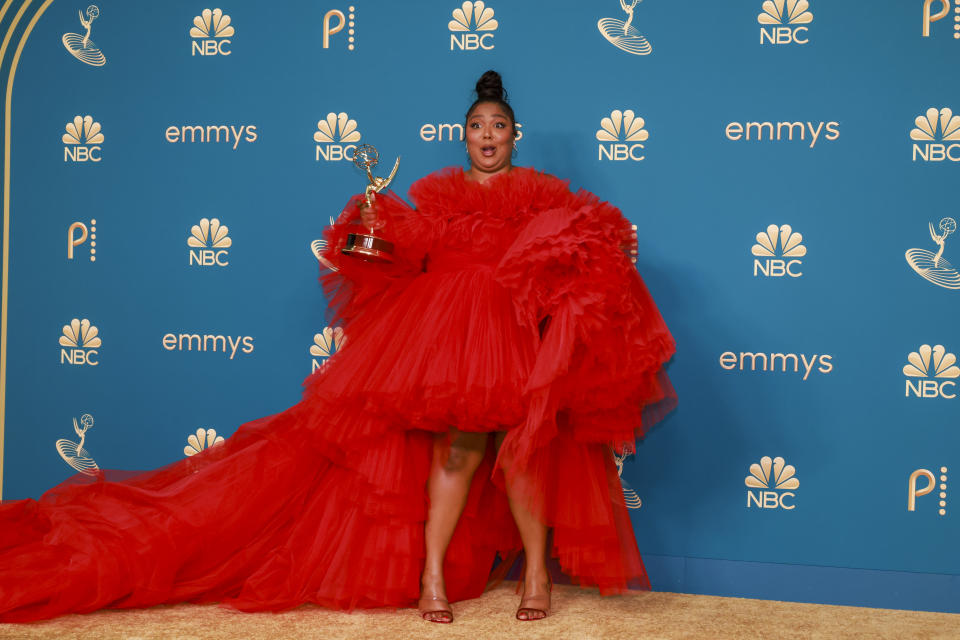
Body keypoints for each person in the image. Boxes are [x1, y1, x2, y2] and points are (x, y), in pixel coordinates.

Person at [0, 70, 675, 624]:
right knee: (459, 451)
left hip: (512, 331)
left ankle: (535, 576)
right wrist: (370, 220)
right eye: (477, 126)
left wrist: (603, 251)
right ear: (463, 135)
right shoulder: (435, 193)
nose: (488, 136)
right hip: (445, 339)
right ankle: (432, 579)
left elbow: (575, 241)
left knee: (524, 453)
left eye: (498, 126)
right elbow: (400, 252)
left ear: (514, 136)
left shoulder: (541, 194)